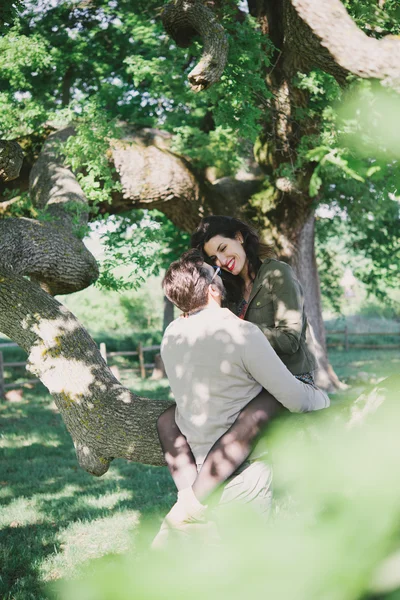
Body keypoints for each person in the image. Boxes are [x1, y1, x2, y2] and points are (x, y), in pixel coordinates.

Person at [153, 250, 329, 545]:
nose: (222, 273)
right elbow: (294, 399)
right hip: (243, 472)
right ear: (212, 290)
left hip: (195, 464)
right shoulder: (240, 333)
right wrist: (321, 399)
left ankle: (187, 506)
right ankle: (186, 514)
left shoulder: (172, 333)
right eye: (216, 273)